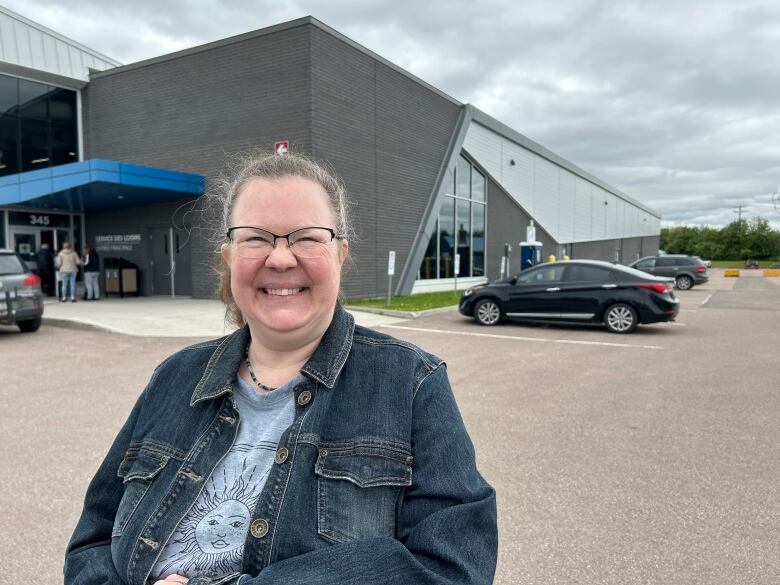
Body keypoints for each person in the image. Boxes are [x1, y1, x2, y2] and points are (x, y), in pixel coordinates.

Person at [65, 153, 497, 585]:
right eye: (255, 239)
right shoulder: (174, 377)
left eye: (307, 238)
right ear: (229, 256)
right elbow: (92, 543)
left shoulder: (410, 382)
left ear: (341, 254)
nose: (281, 259)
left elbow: (453, 565)